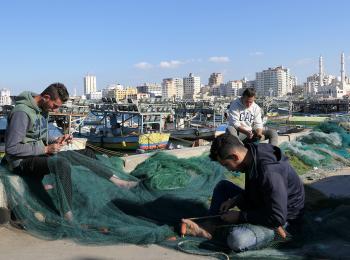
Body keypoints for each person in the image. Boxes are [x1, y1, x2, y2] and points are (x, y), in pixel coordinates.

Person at [4, 83, 137, 222]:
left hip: (38, 155)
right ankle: (68, 215)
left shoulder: (42, 109)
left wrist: (57, 139)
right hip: (21, 162)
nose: (55, 109)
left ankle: (117, 181)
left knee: (85, 153)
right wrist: (46, 149)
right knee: (61, 163)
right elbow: (12, 148)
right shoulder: (21, 113)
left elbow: (40, 135)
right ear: (46, 97)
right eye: (55, 106)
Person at [181, 133, 305, 252]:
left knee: (238, 240)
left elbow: (277, 217)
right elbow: (258, 190)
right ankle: (210, 227)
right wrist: (235, 200)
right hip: (264, 203)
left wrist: (240, 216)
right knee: (223, 186)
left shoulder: (270, 173)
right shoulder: (251, 153)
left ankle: (214, 231)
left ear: (235, 156)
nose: (228, 169)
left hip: (283, 219)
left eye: (226, 165)